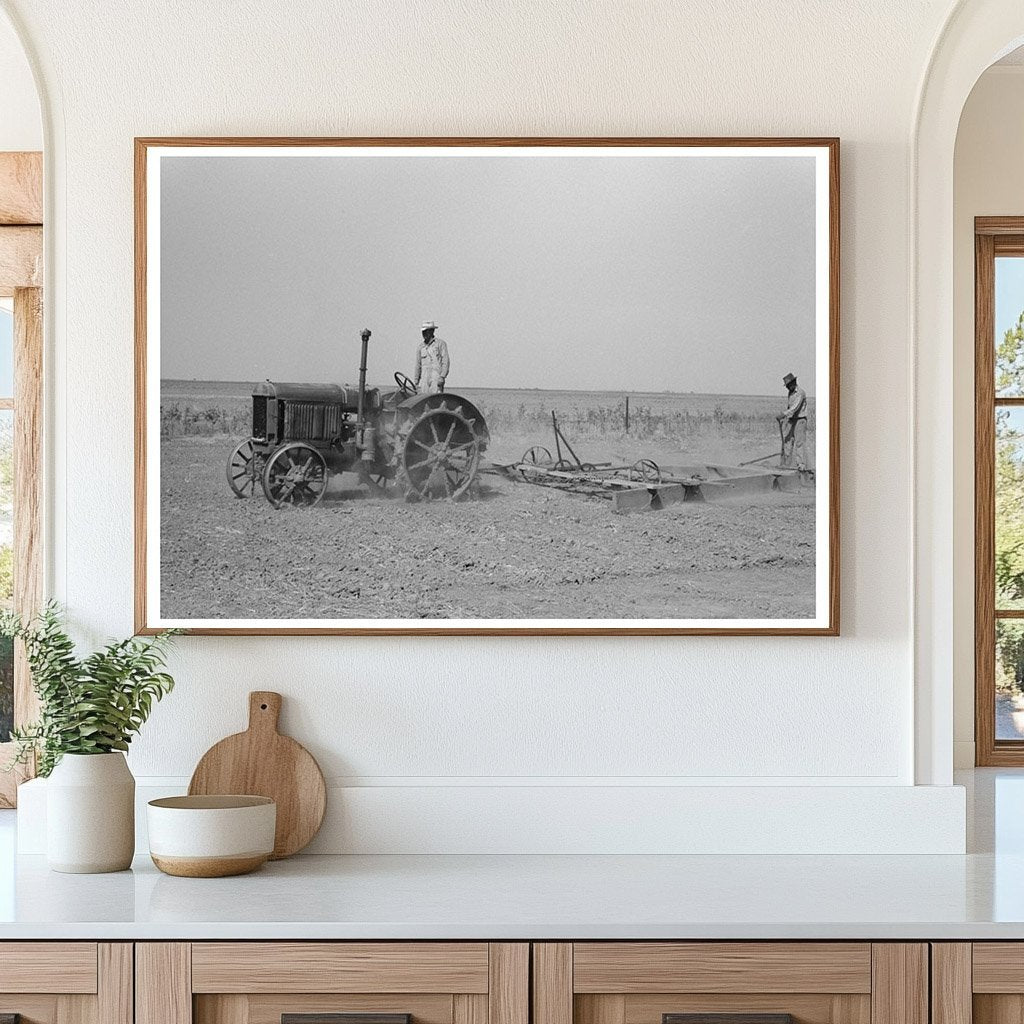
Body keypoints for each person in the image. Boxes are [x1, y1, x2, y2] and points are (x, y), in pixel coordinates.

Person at [778, 372, 809, 470]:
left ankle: (801, 465)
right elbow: (790, 406)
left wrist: (783, 414)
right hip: (791, 419)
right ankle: (787, 464)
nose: (787, 387)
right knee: (787, 441)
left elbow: (795, 407)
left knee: (799, 442)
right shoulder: (790, 393)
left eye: (788, 385)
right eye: (786, 386)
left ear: (794, 382)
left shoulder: (800, 392)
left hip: (800, 420)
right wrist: (786, 418)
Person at [413, 321, 450, 394]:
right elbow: (418, 365)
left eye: (426, 331)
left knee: (436, 400)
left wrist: (442, 376)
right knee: (423, 400)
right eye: (423, 332)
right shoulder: (420, 347)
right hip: (424, 379)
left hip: (436, 378)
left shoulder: (440, 344)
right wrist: (416, 381)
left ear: (432, 331)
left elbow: (445, 361)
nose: (424, 334)